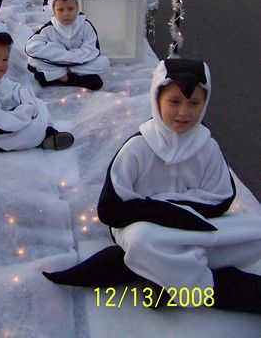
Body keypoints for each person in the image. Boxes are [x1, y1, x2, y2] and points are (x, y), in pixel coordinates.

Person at [43, 59, 261, 314]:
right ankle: (213, 287)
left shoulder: (207, 146)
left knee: (255, 229)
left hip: (193, 223)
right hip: (146, 228)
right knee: (140, 241)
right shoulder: (138, 147)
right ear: (157, 97)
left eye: (194, 103)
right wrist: (163, 211)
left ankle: (163, 277)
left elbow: (221, 198)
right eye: (175, 101)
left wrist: (166, 204)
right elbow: (112, 209)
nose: (184, 112)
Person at [0, 31, 75, 152]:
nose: (1, 64)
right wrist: (24, 113)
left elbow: (16, 88)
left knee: (39, 104)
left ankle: (45, 133)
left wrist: (26, 107)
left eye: (5, 59)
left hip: (10, 118)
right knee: (32, 128)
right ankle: (45, 136)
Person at [26, 0, 110, 90]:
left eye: (70, 9)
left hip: (77, 64)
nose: (66, 14)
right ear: (53, 11)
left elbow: (92, 49)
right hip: (56, 64)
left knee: (104, 62)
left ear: (77, 7)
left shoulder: (85, 25)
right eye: (60, 10)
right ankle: (75, 79)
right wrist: (57, 52)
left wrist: (71, 58)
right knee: (32, 61)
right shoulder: (49, 28)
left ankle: (61, 77)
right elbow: (32, 47)